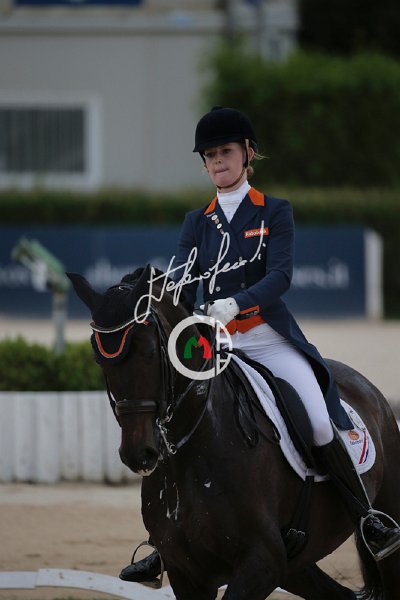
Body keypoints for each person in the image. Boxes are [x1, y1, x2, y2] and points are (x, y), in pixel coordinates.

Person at [120, 106, 400, 582]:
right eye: (209, 155)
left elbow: (280, 276)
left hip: (266, 338)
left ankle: (367, 517)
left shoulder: (273, 211)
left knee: (317, 419)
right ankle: (165, 543)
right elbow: (184, 284)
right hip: (213, 344)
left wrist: (237, 302)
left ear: (248, 153)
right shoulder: (197, 222)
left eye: (225, 152)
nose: (217, 161)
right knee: (173, 416)